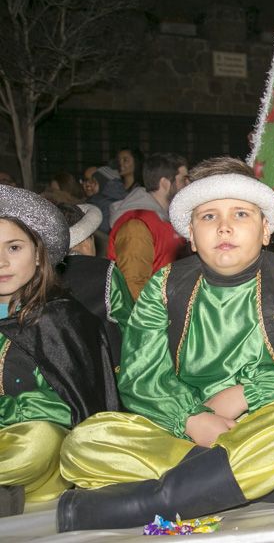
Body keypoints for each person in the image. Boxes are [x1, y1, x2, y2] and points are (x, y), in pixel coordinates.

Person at [57, 157, 274, 532]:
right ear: (190, 235)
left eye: (241, 214)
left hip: (262, 425)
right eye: (208, 216)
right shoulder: (163, 287)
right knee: (85, 440)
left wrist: (247, 393)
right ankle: (261, 482)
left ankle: (151, 500)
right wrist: (191, 418)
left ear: (265, 230)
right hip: (181, 431)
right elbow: (140, 380)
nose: (225, 226)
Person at [0, 186, 119, 518]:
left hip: (39, 448)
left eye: (14, 247)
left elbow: (68, 405)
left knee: (38, 440)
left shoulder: (60, 318)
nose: (1, 262)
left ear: (38, 254)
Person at [55, 202, 133, 367]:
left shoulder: (35, 273)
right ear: (86, 241)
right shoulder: (105, 271)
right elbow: (129, 326)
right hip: (103, 369)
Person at [108, 152, 189, 300]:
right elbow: (134, 286)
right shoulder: (136, 225)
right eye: (183, 180)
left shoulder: (167, 219)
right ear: (165, 183)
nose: (188, 185)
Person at [82, 166, 126, 234]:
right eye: (85, 180)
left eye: (93, 181)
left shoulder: (106, 203)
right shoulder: (95, 201)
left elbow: (103, 233)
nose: (87, 184)